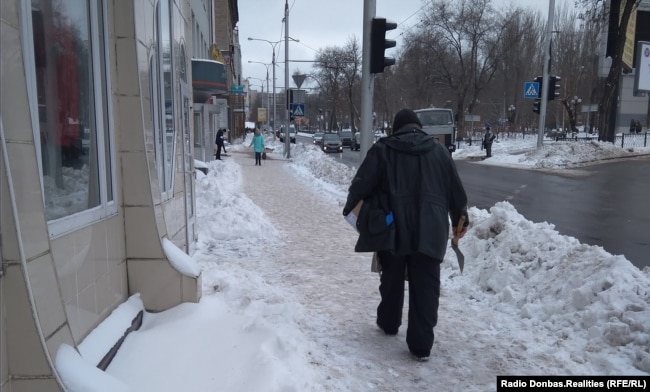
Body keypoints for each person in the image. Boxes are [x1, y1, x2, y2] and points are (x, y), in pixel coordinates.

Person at [342, 108, 469, 362]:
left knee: (391, 277)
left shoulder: (382, 150)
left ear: (395, 128)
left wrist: (368, 215)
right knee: (426, 286)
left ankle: (389, 323)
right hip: (431, 230)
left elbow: (359, 189)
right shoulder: (441, 153)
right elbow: (457, 195)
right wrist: (459, 220)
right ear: (419, 126)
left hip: (393, 227)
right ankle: (421, 345)